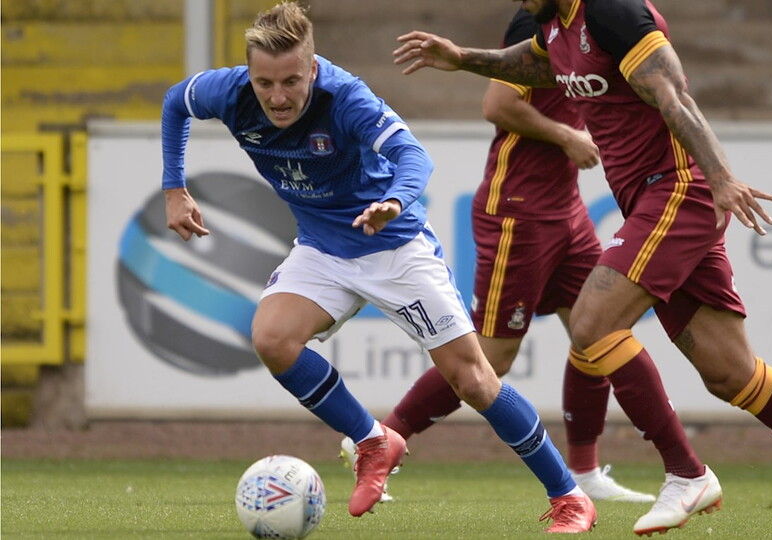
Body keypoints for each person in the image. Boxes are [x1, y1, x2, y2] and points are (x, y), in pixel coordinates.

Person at [392, 1, 772, 538]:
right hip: (652, 200)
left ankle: (686, 472)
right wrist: (461, 58)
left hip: (677, 190)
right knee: (730, 373)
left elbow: (674, 94)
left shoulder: (612, 13)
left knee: (593, 324)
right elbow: (534, 63)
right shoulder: (555, 24)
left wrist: (720, 177)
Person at [160, 2, 596, 532]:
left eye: (291, 81)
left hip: (393, 245)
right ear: (248, 74)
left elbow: (414, 156)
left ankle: (570, 496)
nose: (277, 97)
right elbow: (175, 102)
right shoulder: (228, 92)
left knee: (475, 380)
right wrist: (174, 187)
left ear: (312, 68)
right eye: (264, 83)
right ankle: (372, 441)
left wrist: (394, 201)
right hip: (322, 248)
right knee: (272, 339)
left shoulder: (345, 97)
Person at [342, 7, 654, 505]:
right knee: (491, 359)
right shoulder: (535, 25)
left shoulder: (590, 24)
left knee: (597, 331)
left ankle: (586, 471)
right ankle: (381, 440)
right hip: (517, 213)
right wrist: (567, 135)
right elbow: (498, 103)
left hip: (567, 211)